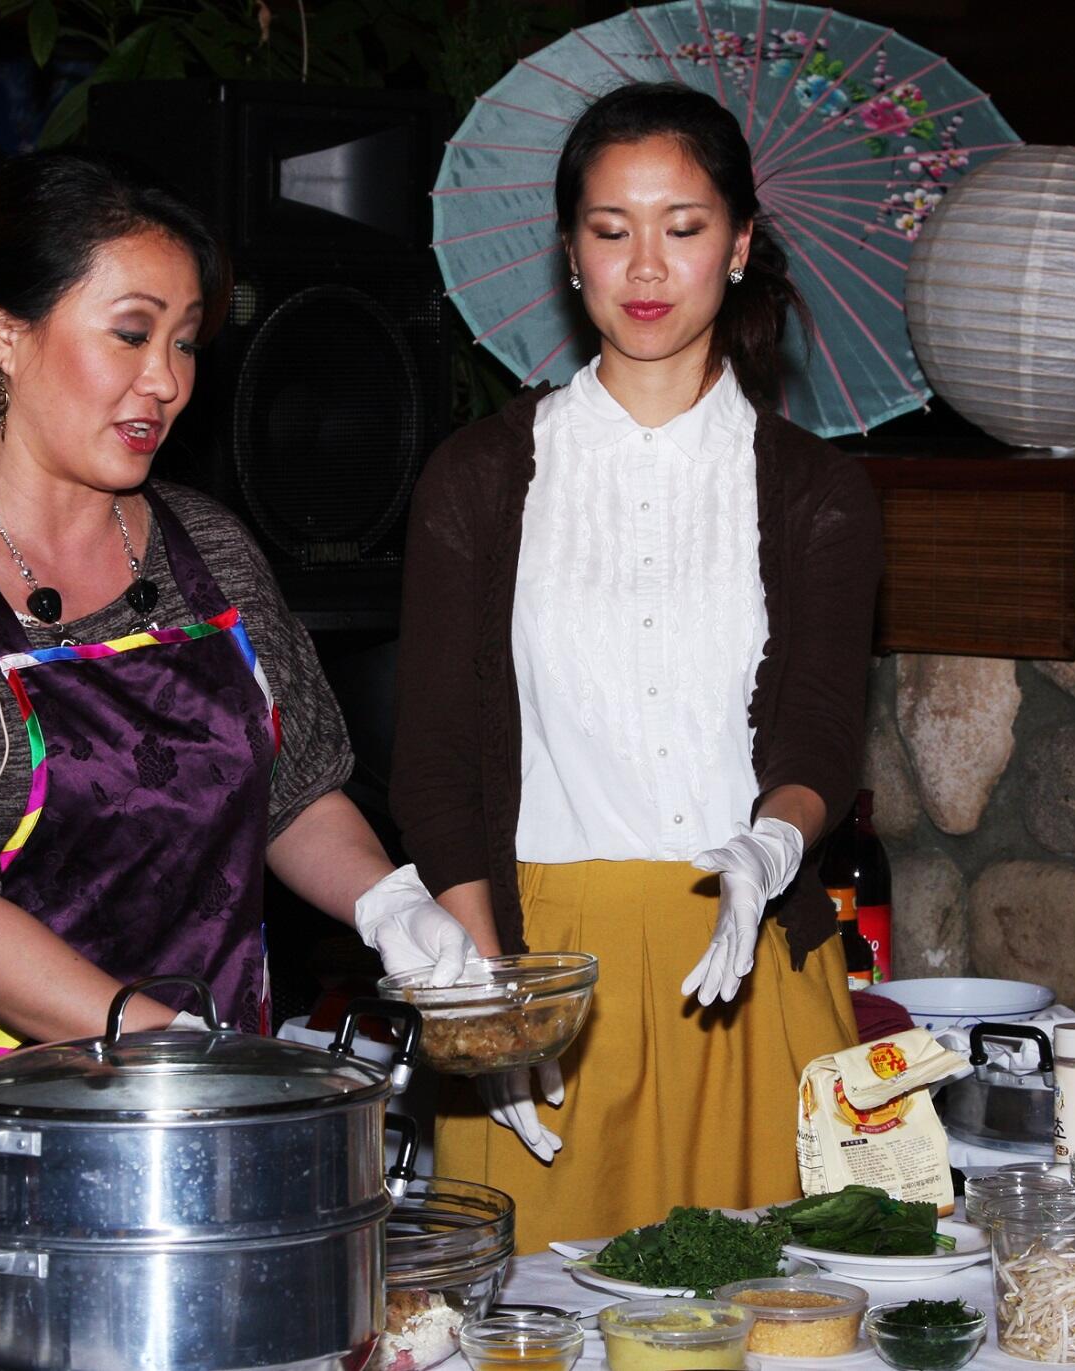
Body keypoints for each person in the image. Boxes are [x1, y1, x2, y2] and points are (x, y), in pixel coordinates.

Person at [0, 150, 470, 1370]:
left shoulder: (207, 547)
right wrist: (165, 1046)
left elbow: (294, 783)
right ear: (2, 333)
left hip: (216, 1102)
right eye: (129, 334)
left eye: (186, 342)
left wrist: (392, 901)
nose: (165, 381)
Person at [386, 82, 883, 1252]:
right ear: (571, 255)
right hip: (541, 978)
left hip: (751, 961)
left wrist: (773, 844)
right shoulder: (479, 478)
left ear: (743, 244)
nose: (647, 266)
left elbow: (818, 725)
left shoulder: (817, 489)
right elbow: (438, 765)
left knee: (778, 1321)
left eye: (685, 226)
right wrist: (494, 1002)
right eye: (612, 230)